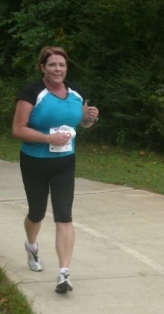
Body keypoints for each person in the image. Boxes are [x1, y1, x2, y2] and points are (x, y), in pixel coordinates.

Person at [12, 46, 99, 294]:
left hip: (64, 162)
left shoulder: (77, 93)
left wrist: (90, 118)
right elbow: (17, 129)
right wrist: (47, 139)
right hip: (34, 161)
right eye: (52, 65)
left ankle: (64, 273)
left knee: (64, 215)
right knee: (36, 213)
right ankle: (31, 245)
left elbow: (81, 123)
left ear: (66, 68)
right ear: (43, 68)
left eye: (61, 65)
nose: (57, 69)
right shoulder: (32, 93)